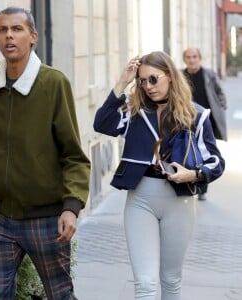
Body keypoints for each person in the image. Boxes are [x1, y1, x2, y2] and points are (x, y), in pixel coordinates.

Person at [0, 6, 90, 300]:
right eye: (2, 30)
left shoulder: (53, 83)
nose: (9, 35)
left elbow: (73, 154)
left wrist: (71, 207)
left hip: (46, 218)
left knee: (60, 295)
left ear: (33, 37)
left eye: (17, 29)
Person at [93, 51, 225, 299]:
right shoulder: (134, 111)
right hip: (140, 199)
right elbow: (102, 124)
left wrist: (194, 174)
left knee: (171, 280)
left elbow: (216, 162)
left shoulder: (196, 115)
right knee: (145, 283)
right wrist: (123, 82)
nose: (148, 86)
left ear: (170, 76)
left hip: (179, 201)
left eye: (153, 79)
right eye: (142, 81)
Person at [182, 47, 227, 200]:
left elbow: (219, 92)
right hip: (187, 121)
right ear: (184, 60)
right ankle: (190, 183)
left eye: (194, 56)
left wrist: (221, 107)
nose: (191, 60)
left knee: (206, 154)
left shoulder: (208, 74)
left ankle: (202, 187)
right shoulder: (181, 76)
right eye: (188, 57)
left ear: (199, 58)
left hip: (206, 121)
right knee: (189, 153)